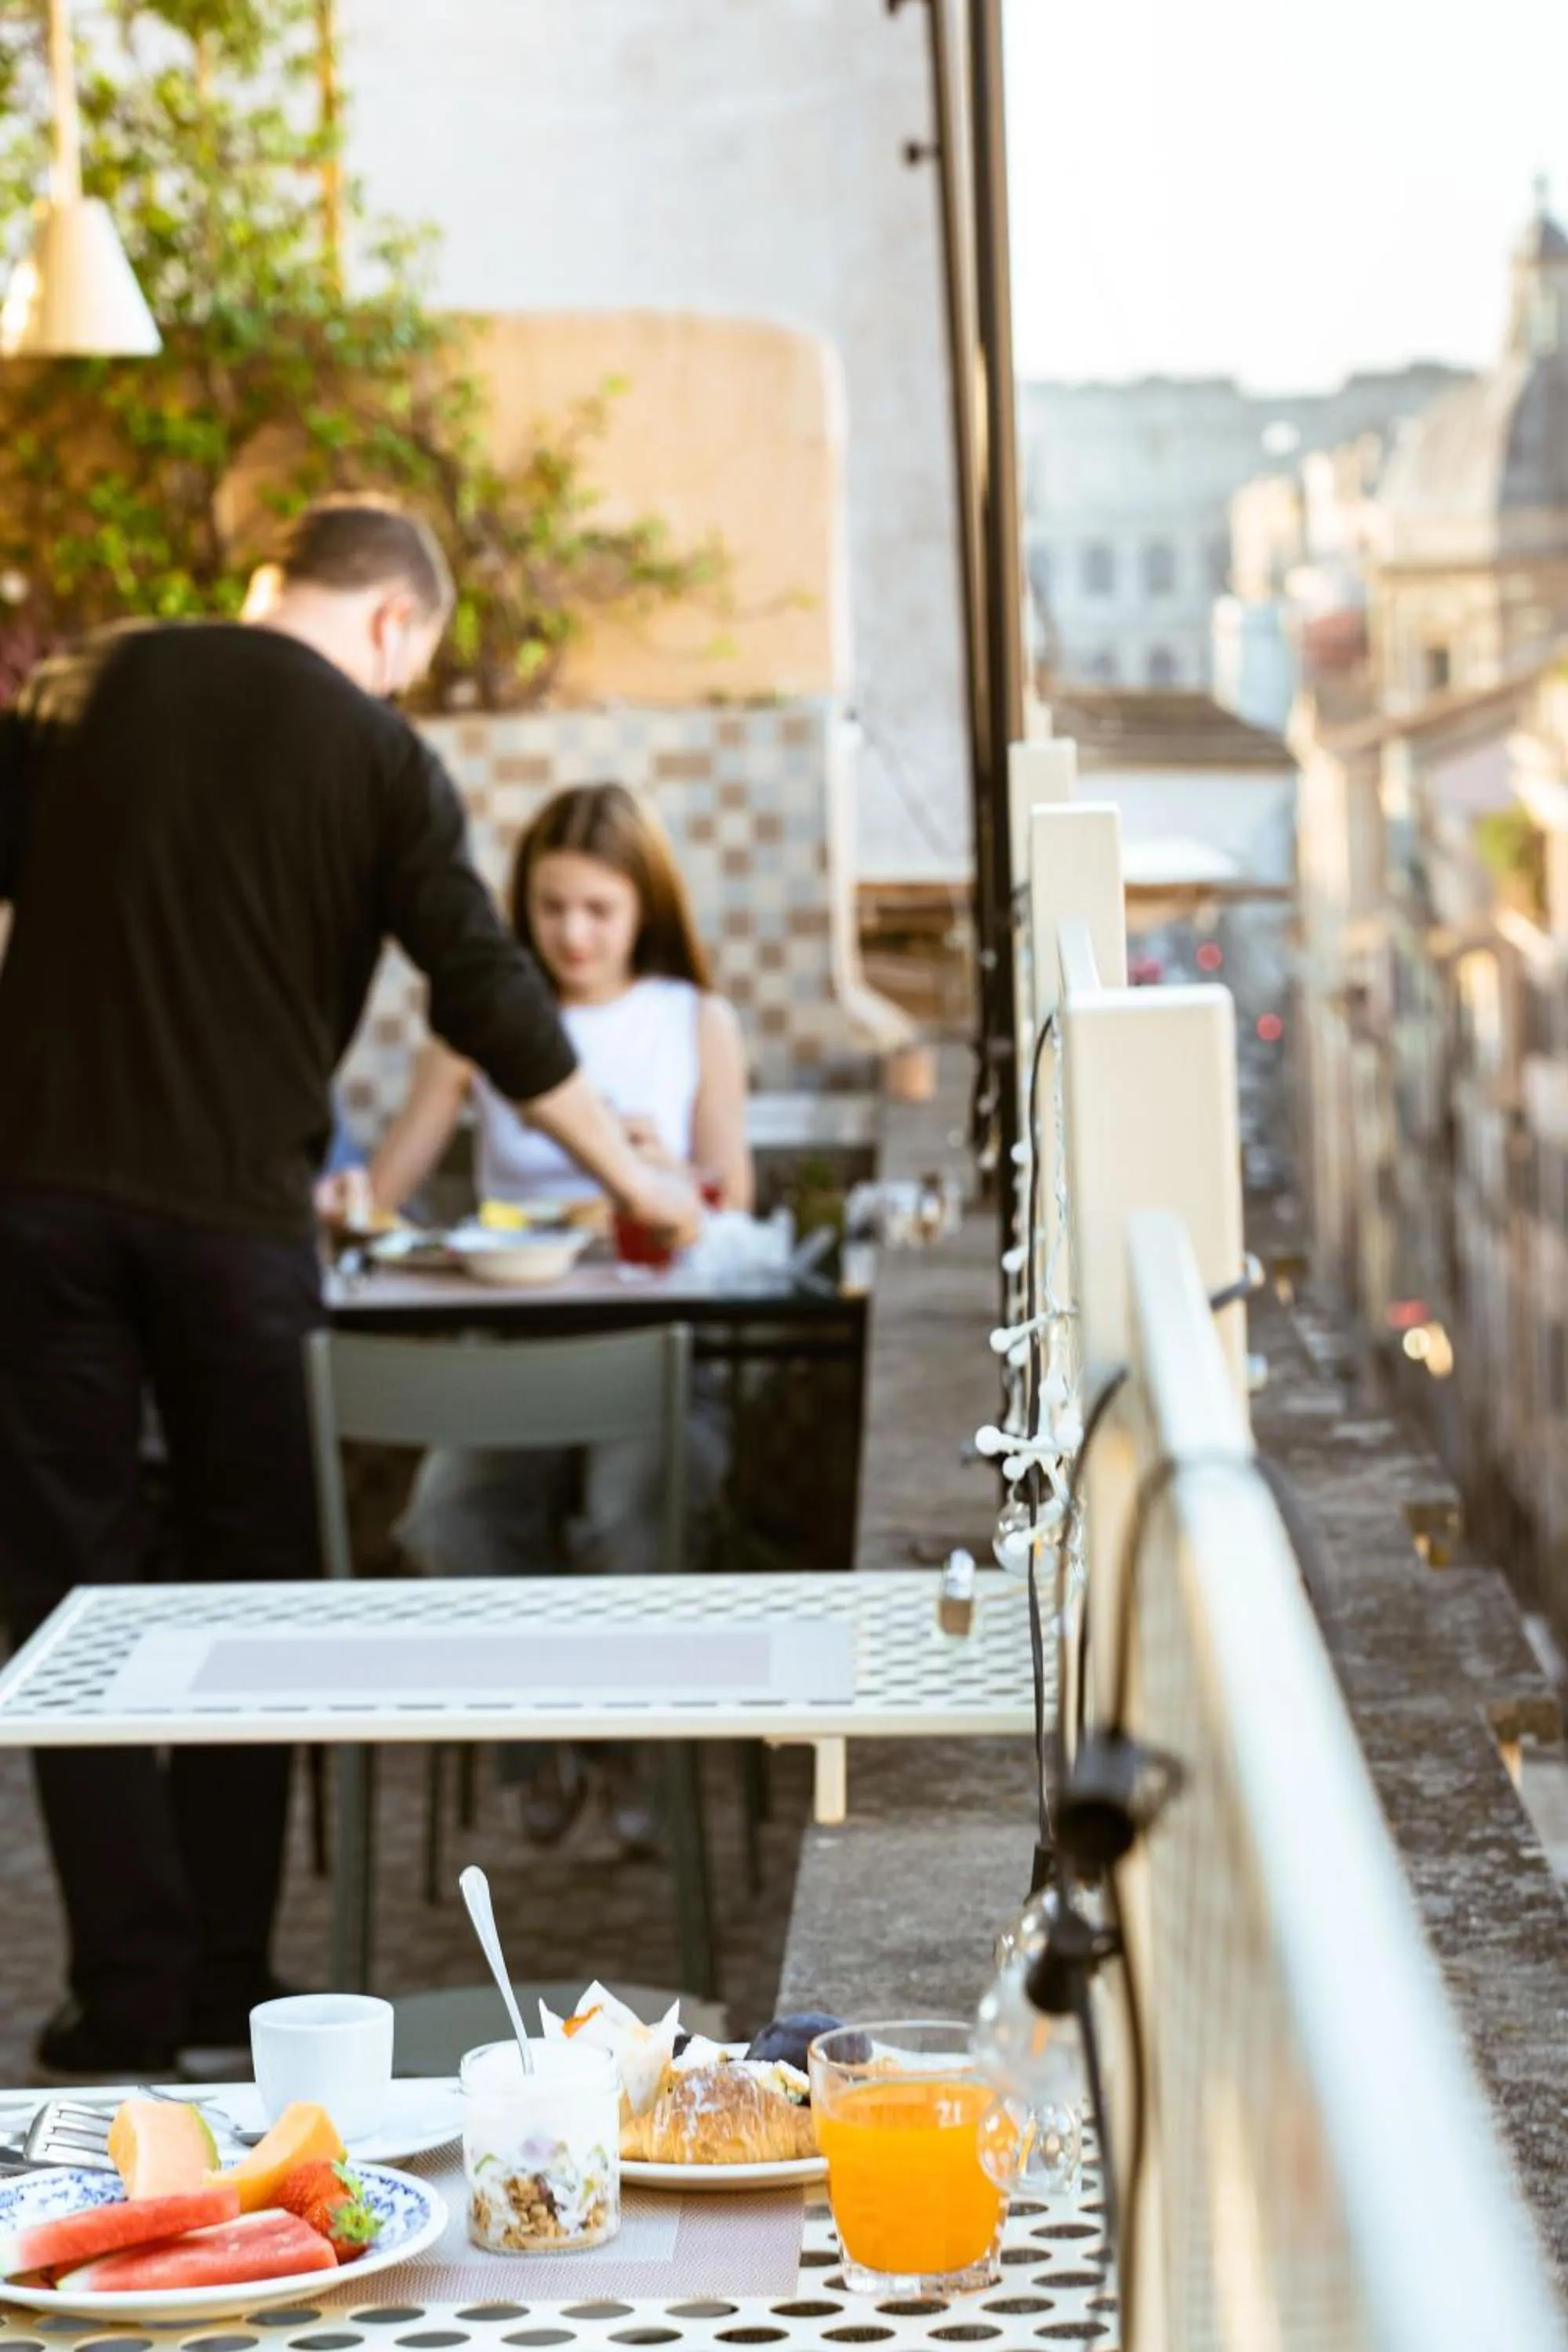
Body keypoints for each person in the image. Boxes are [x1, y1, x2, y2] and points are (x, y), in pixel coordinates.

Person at [0, 499, 699, 2084]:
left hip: (38, 1207)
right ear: (393, 625)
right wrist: (637, 1178)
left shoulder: (73, 690)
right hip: (238, 1231)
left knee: (65, 1597)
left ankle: (121, 1997)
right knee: (258, 1600)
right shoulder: (379, 759)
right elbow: (487, 989)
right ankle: (224, 1993)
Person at [361, 782, 752, 1849]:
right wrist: (340, 1197)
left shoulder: (693, 1020)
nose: (574, 934)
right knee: (448, 1516)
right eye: (551, 908)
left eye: (599, 909)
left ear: (644, 910)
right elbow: (386, 1196)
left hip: (653, 1343)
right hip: (509, 1345)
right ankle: (542, 1744)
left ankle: (620, 1752)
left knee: (637, 1518)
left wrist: (660, 1173)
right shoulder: (482, 1024)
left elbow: (736, 1206)